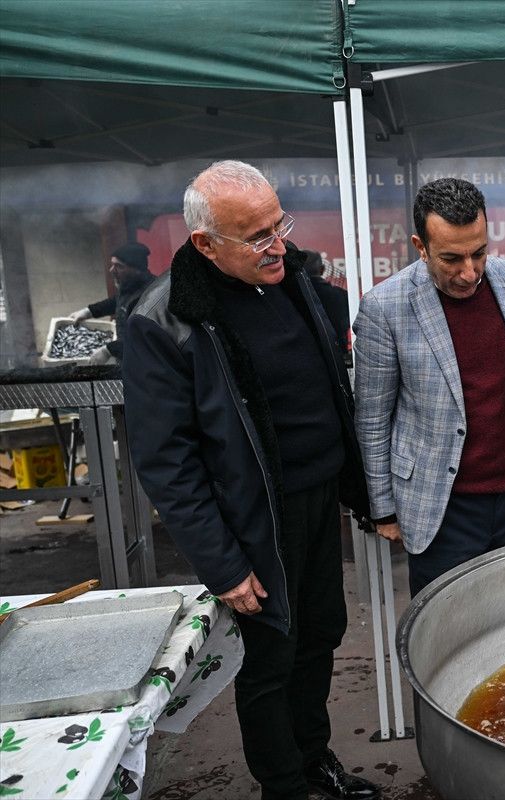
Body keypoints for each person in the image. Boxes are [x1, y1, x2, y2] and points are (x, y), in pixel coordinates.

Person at [122, 160, 379, 800]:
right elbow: (165, 460)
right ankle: (284, 786)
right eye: (258, 236)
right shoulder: (163, 319)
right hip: (253, 515)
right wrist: (223, 565)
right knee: (271, 659)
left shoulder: (292, 278)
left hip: (320, 495)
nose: (279, 245)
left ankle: (315, 761)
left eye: (278, 225)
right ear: (205, 244)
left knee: (320, 634)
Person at [353, 178, 505, 597]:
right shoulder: (384, 308)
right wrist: (384, 509)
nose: (469, 272)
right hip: (442, 509)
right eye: (451, 258)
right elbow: (372, 419)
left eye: (479, 252)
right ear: (420, 246)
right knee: (448, 639)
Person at [68, 242, 155, 364]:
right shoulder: (129, 286)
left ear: (136, 270)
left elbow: (142, 340)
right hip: (128, 362)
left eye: (119, 266)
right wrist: (89, 311)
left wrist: (108, 350)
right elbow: (116, 302)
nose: (111, 270)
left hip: (147, 367)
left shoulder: (151, 297)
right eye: (112, 265)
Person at [305, 258, 351, 358]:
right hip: (338, 354)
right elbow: (347, 323)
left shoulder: (291, 296)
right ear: (322, 269)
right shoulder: (340, 295)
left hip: (306, 355)